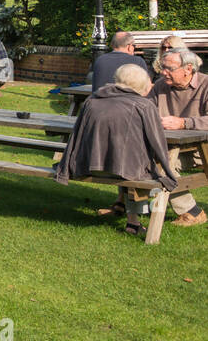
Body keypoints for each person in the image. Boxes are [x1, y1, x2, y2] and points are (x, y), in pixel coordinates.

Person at [56, 64, 177, 237]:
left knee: (127, 158)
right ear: (142, 84)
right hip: (124, 171)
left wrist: (64, 168)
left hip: (88, 167)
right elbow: (158, 142)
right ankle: (134, 220)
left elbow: (76, 135)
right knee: (140, 163)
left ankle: (123, 208)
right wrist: (169, 175)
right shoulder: (144, 105)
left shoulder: (92, 100)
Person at [143, 47, 208, 227]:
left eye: (169, 68)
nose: (163, 72)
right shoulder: (160, 87)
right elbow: (145, 111)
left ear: (188, 69)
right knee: (137, 158)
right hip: (167, 147)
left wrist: (184, 123)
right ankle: (135, 206)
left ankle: (192, 212)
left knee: (161, 167)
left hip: (201, 149)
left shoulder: (206, 85)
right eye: (162, 67)